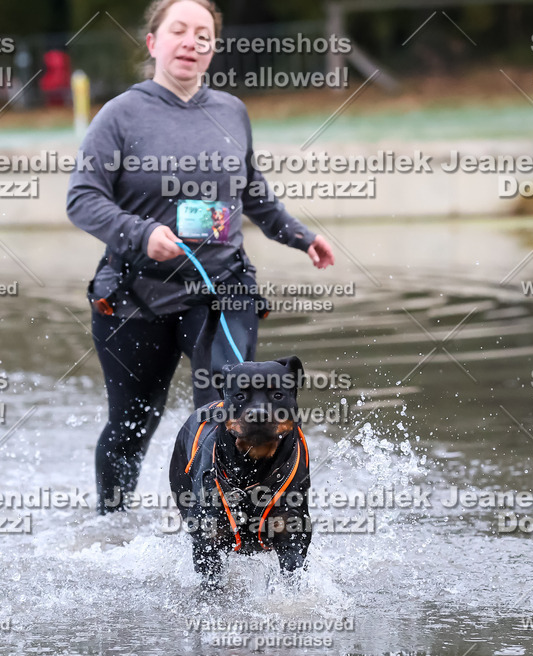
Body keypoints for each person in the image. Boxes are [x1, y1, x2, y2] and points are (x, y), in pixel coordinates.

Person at [66, 0, 335, 515]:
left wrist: (299, 236)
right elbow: (82, 199)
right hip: (134, 294)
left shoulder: (231, 110)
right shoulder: (120, 114)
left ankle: (228, 530)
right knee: (132, 423)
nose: (191, 42)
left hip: (222, 289)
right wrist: (142, 234)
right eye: (179, 31)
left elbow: (253, 193)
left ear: (213, 47)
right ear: (153, 42)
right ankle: (112, 525)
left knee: (225, 412)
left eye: (203, 34)